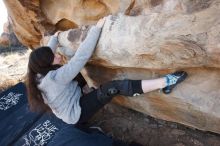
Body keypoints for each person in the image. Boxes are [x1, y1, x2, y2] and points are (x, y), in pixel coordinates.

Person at [26, 16, 187, 126]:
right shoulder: (55, 78)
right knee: (114, 87)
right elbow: (80, 57)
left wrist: (55, 38)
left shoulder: (37, 72)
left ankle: (87, 90)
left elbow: (45, 53)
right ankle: (167, 81)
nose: (57, 55)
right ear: (47, 65)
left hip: (68, 97)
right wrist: (97, 29)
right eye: (54, 57)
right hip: (76, 112)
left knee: (81, 74)